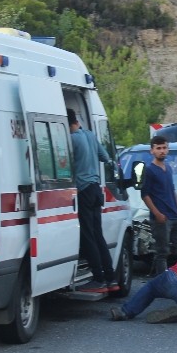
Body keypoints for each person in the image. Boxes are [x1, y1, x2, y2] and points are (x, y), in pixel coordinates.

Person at [68, 108, 118, 294]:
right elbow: (105, 158)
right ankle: (111, 278)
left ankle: (97, 278)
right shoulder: (89, 135)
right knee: (98, 236)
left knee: (88, 236)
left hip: (83, 190)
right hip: (97, 189)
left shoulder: (72, 139)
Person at [142, 135, 177, 276]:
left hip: (175, 215)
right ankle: (161, 281)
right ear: (152, 151)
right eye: (158, 148)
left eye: (164, 148)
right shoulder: (149, 170)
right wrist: (157, 214)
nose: (162, 151)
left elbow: (172, 189)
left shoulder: (168, 168)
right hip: (161, 218)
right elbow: (145, 195)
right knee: (162, 252)